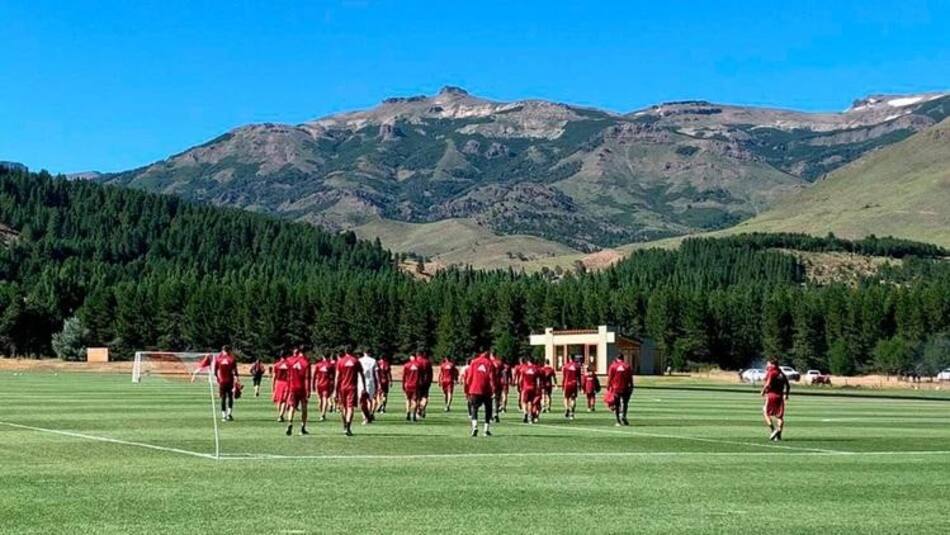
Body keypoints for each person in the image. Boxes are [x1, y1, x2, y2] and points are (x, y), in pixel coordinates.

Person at [334, 350, 365, 436]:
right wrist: (364, 387)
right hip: (352, 387)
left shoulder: (340, 361)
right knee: (350, 407)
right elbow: (362, 374)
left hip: (342, 387)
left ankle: (345, 425)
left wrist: (335, 391)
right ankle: (348, 426)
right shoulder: (356, 361)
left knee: (343, 407)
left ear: (345, 351)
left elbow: (337, 377)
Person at [464, 352, 496, 437]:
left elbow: (469, 377)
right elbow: (491, 378)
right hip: (487, 389)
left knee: (474, 408)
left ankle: (474, 426)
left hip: (474, 389)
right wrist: (494, 390)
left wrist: (467, 390)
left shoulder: (474, 362)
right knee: (488, 409)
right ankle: (486, 429)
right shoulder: (489, 363)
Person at [284, 348, 311, 436]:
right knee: (304, 408)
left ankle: (290, 423)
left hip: (293, 387)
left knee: (292, 406)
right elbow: (307, 378)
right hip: (302, 388)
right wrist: (309, 390)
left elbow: (288, 374)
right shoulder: (306, 362)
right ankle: (302, 427)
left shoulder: (290, 360)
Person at [761, 359, 791, 441]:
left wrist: (763, 391)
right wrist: (787, 394)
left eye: (768, 364)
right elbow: (788, 385)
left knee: (765, 412)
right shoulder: (782, 373)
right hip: (780, 396)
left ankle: (773, 430)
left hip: (771, 395)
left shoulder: (772, 372)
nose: (767, 365)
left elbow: (768, 383)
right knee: (780, 416)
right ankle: (779, 435)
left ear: (772, 364)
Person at [606, 355, 634, 426]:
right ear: (623, 358)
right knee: (625, 403)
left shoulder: (613, 366)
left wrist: (608, 386)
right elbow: (630, 378)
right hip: (625, 387)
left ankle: (618, 420)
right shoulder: (627, 366)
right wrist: (631, 386)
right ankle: (624, 416)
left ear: (616, 358)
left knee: (617, 404)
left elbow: (610, 377)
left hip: (616, 388)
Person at [213, 346, 239, 422]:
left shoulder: (218, 359)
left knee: (223, 398)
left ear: (223, 350)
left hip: (222, 381)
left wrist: (218, 379)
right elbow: (235, 372)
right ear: (229, 351)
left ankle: (223, 416)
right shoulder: (232, 359)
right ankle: (229, 414)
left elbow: (215, 371)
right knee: (230, 397)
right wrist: (238, 381)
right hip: (230, 381)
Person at [312, 354, 336, 422]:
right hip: (327, 383)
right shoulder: (331, 365)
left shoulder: (318, 365)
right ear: (329, 357)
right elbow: (333, 376)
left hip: (319, 384)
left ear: (323, 357)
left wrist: (313, 385)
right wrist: (333, 385)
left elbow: (314, 376)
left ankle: (321, 413)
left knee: (320, 399)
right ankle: (323, 414)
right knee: (325, 399)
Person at [358, 350, 380, 424]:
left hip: (361, 382)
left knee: (361, 401)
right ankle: (369, 414)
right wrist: (378, 384)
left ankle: (364, 416)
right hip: (371, 382)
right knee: (369, 400)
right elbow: (376, 374)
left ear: (364, 353)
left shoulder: (359, 360)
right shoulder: (373, 360)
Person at [519, 359, 542, 424]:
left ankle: (525, 413)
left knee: (524, 402)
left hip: (525, 387)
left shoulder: (524, 368)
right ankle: (530, 415)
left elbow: (520, 379)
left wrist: (520, 387)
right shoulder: (536, 369)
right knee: (530, 402)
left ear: (528, 361)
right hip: (533, 387)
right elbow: (538, 381)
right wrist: (538, 388)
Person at [272, 353, 291, 422]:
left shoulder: (276, 365)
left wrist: (273, 386)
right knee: (284, 400)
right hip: (287, 383)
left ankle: (280, 414)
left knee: (278, 400)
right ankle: (281, 415)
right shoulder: (289, 365)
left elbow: (274, 377)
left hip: (279, 383)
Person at [402, 354, 421, 422]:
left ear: (410, 357)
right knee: (414, 401)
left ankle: (408, 412)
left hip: (408, 385)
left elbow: (404, 376)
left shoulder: (406, 365)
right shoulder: (418, 365)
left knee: (408, 399)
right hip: (415, 385)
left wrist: (403, 385)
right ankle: (414, 415)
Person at [416, 351, 433, 419]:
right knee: (425, 397)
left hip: (418, 382)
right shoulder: (427, 362)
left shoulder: (416, 362)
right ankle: (422, 408)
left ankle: (418, 411)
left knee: (417, 398)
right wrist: (429, 381)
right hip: (426, 382)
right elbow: (431, 373)